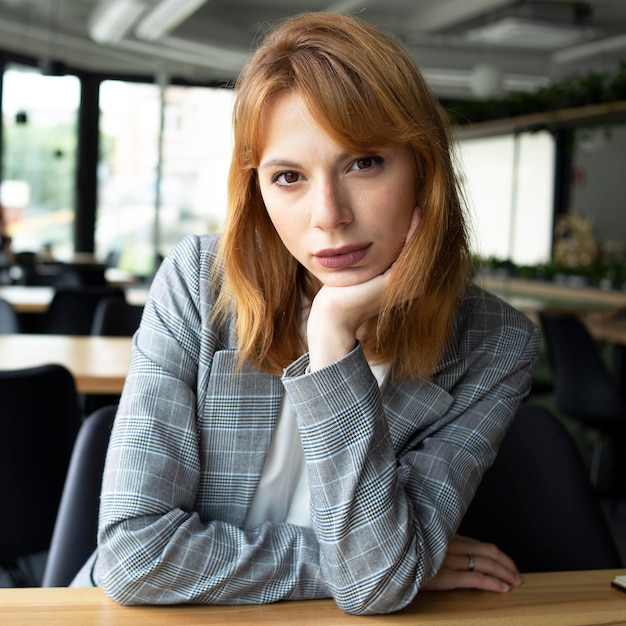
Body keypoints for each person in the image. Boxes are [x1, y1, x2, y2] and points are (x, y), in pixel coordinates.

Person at [72, 12, 540, 615]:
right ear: (258, 191)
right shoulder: (198, 282)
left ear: (423, 168)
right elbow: (136, 559)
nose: (328, 215)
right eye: (288, 176)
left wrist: (331, 336)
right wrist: (384, 560)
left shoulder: (494, 344)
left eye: (363, 163)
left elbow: (374, 590)